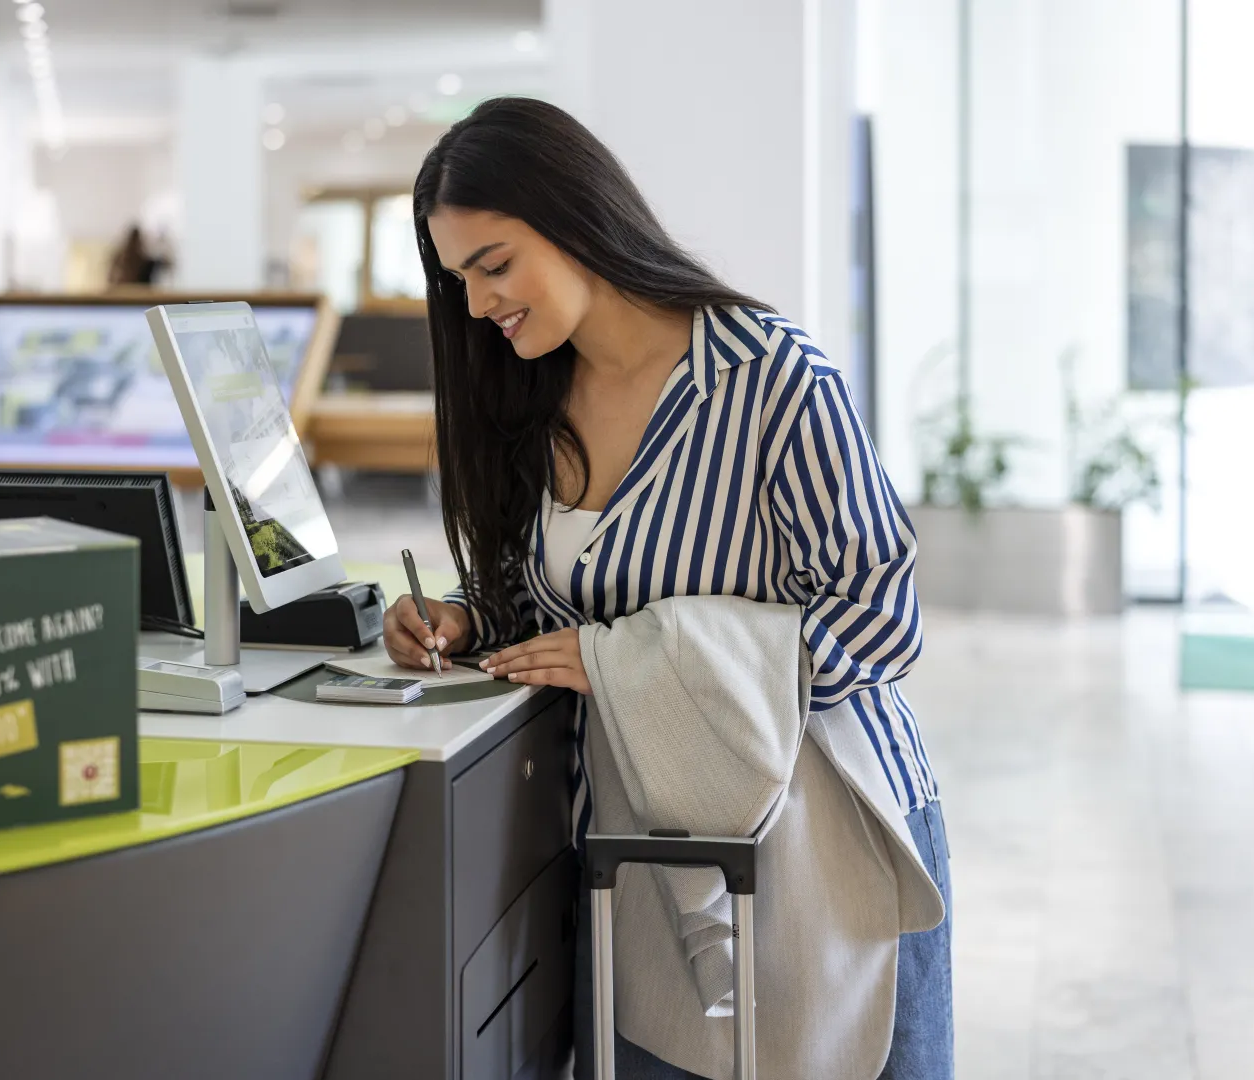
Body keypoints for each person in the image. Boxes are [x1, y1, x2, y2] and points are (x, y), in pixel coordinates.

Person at [384, 96, 951, 1080]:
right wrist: (466, 617)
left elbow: (880, 617)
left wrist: (639, 657)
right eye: (457, 281)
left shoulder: (772, 381)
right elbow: (554, 607)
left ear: (571, 217)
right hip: (638, 856)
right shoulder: (533, 397)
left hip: (815, 847)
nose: (476, 306)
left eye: (493, 266)